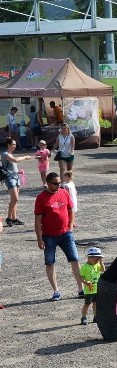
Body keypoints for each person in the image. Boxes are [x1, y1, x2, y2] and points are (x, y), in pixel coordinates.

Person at [35, 172, 83, 300]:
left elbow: (70, 210)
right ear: (48, 183)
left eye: (59, 183)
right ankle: (56, 291)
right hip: (49, 236)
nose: (58, 185)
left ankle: (80, 289)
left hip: (66, 233)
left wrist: (71, 225)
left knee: (75, 260)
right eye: (55, 183)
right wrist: (39, 239)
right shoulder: (41, 198)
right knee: (50, 263)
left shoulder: (64, 193)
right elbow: (37, 221)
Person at [3, 137, 34, 226]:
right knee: (15, 198)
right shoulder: (5, 154)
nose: (15, 146)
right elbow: (15, 160)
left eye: (15, 144)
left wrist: (19, 172)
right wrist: (25, 157)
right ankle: (8, 218)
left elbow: (12, 167)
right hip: (10, 178)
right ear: (8, 145)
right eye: (13, 144)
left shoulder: (11, 154)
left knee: (15, 200)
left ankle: (14, 218)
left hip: (16, 177)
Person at [79, 247, 105, 325]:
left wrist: (101, 263)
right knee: (87, 303)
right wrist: (85, 282)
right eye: (96, 259)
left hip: (97, 288)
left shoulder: (97, 264)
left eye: (98, 259)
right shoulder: (84, 267)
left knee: (96, 303)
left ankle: (96, 316)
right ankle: (84, 317)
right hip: (89, 289)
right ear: (89, 257)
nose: (97, 261)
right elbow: (81, 276)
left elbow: (103, 270)